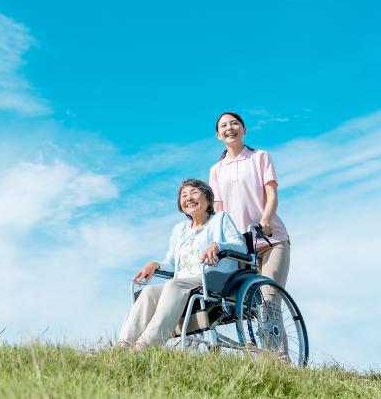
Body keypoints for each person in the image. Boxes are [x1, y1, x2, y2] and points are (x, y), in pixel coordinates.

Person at [117, 179, 246, 349]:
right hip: (182, 282)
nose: (188, 198)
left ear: (207, 198)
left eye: (194, 193)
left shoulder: (220, 219)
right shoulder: (179, 230)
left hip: (212, 278)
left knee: (173, 285)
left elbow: (241, 245)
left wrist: (218, 245)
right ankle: (123, 345)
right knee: (149, 292)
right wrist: (154, 265)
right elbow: (172, 263)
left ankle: (145, 345)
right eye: (184, 195)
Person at [209, 112, 290, 288]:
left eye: (234, 123)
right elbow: (219, 211)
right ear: (218, 135)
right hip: (240, 247)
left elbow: (272, 195)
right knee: (247, 302)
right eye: (224, 125)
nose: (229, 128)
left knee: (269, 297)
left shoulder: (260, 157)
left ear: (244, 129)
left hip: (270, 239)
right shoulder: (216, 170)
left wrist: (265, 221)